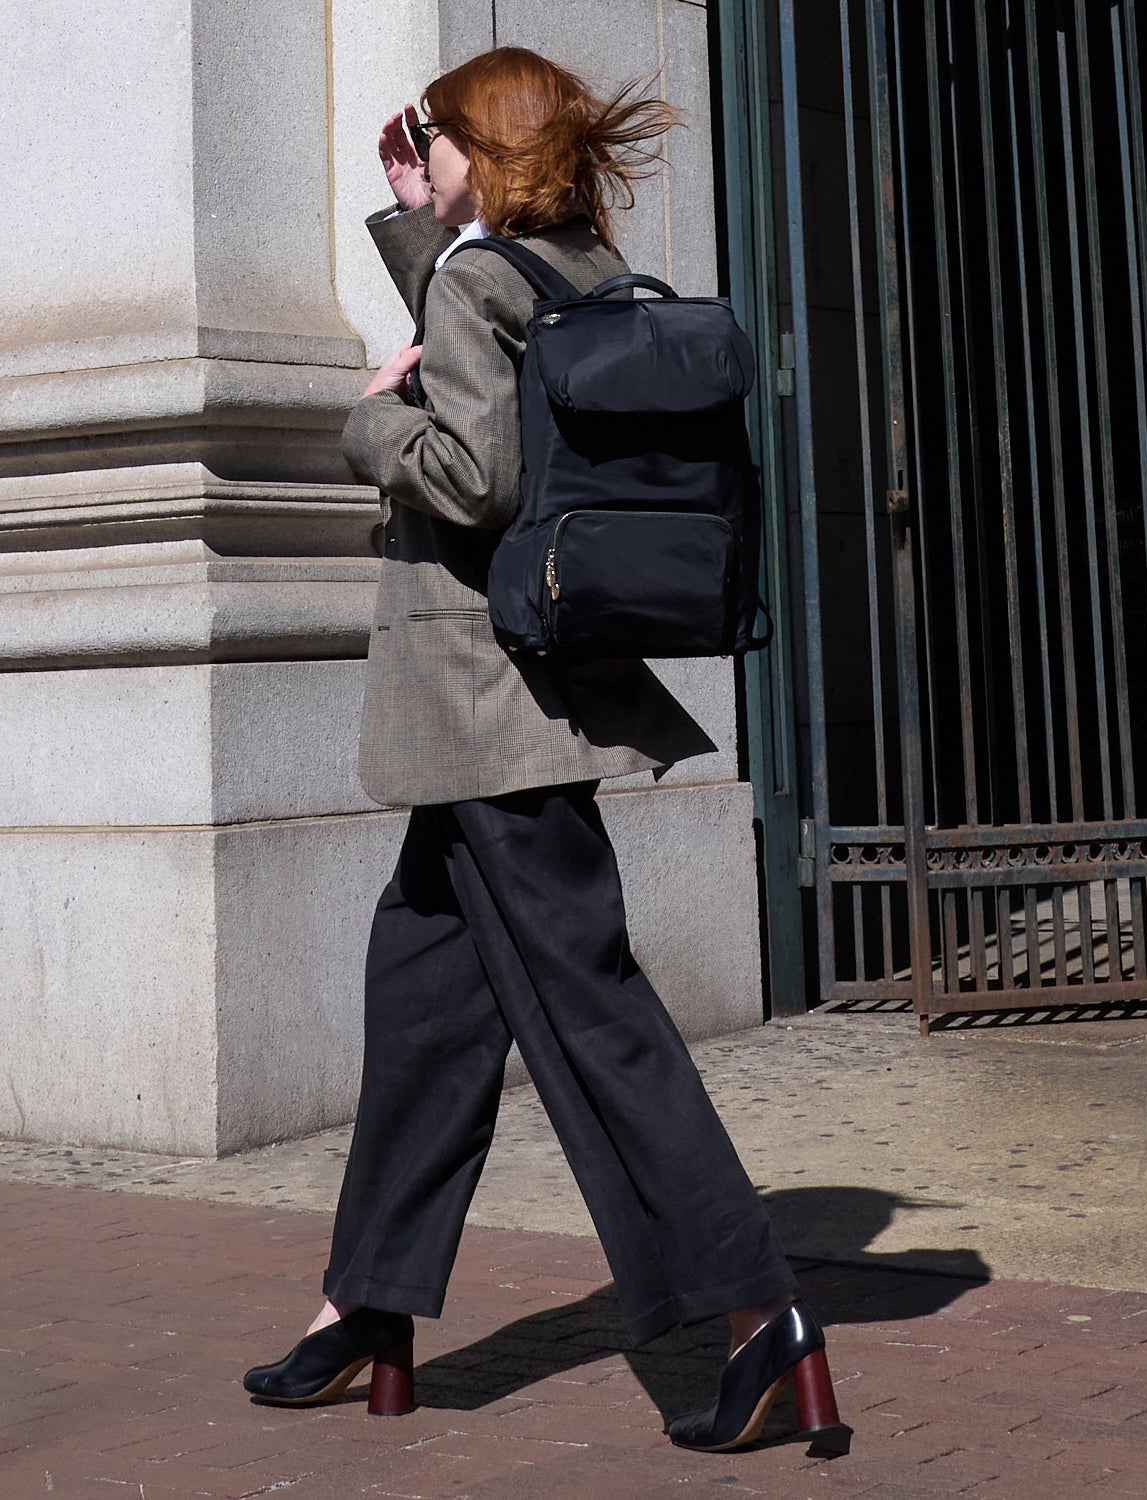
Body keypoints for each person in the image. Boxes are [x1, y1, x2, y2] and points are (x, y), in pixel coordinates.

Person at [241, 46, 851, 1457]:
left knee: (596, 1019)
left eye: (439, 139)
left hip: (480, 713)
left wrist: (368, 419)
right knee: (423, 1012)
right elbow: (498, 342)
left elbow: (474, 471)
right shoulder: (575, 266)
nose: (428, 155)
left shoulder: (479, 280)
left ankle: (761, 1313)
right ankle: (369, 1308)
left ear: (483, 146)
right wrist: (421, 221)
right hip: (528, 698)